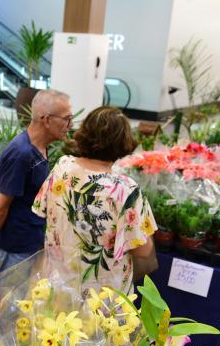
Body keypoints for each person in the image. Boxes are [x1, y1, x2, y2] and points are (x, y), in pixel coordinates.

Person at [32, 106, 157, 293]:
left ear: (85, 133)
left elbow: (40, 209)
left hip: (59, 286)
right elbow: (143, 250)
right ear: (123, 142)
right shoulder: (126, 190)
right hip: (101, 297)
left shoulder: (63, 167)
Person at [0, 89, 72, 272]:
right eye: (66, 118)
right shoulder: (21, 153)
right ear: (47, 119)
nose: (70, 124)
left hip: (31, 241)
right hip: (16, 246)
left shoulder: (40, 147)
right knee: (12, 298)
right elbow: (0, 206)